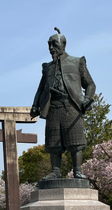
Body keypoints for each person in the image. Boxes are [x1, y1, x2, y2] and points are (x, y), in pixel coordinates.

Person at [30, 27, 96, 179]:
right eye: (49, 45)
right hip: (53, 107)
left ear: (63, 45)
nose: (51, 48)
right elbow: (41, 89)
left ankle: (77, 170)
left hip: (72, 106)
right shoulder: (47, 67)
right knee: (54, 143)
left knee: (75, 141)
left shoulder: (77, 62)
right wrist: (35, 105)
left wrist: (87, 99)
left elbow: (90, 84)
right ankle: (55, 171)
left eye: (54, 45)